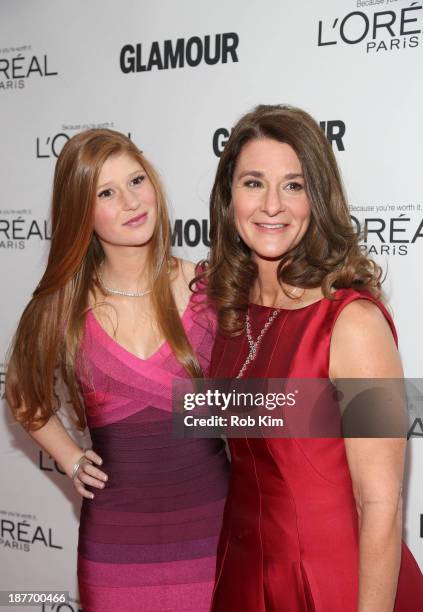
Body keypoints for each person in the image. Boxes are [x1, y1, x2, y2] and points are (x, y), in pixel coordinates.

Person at [201, 105, 423, 611]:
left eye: (294, 186)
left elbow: (382, 504)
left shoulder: (354, 324)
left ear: (317, 199)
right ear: (229, 197)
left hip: (333, 583)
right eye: (253, 183)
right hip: (242, 571)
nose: (272, 205)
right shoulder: (232, 315)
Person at [6, 129, 229, 612]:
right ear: (79, 212)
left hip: (215, 529)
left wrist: (369, 408)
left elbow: (268, 389)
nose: (131, 201)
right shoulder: (60, 306)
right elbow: (22, 394)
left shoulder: (208, 288)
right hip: (116, 546)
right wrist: (69, 457)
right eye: (106, 193)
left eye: (136, 180)